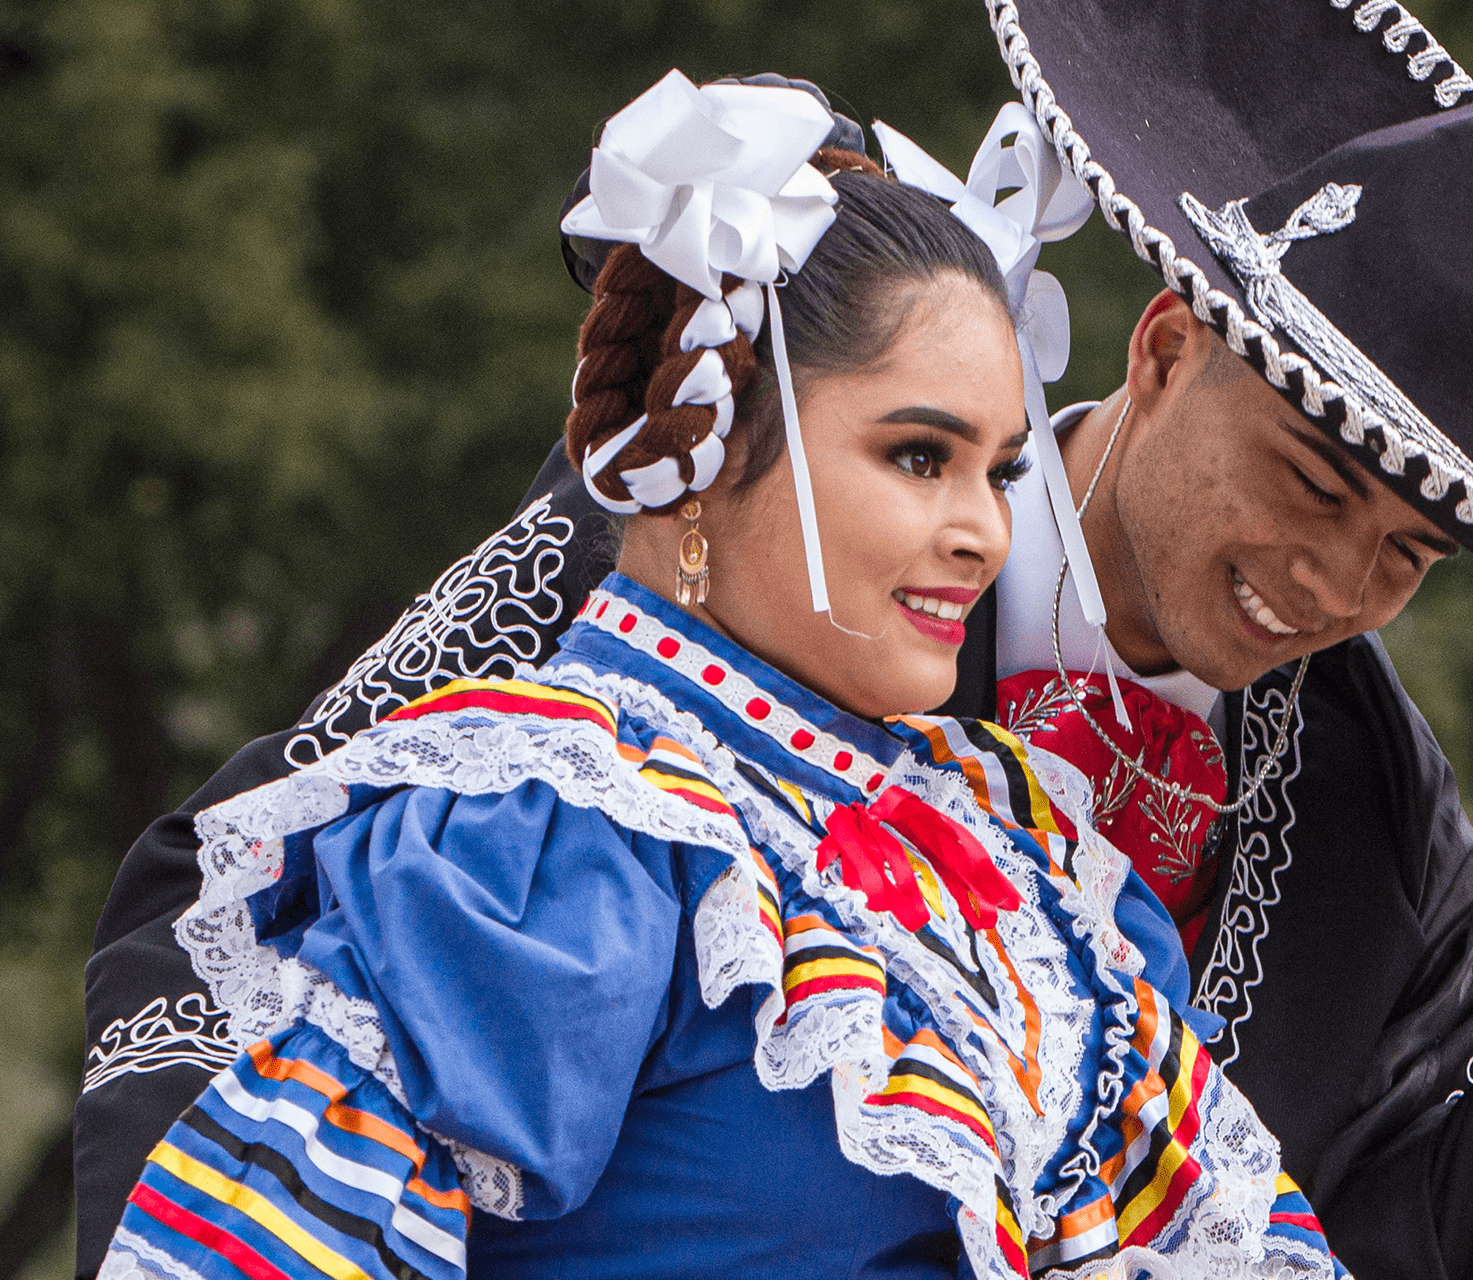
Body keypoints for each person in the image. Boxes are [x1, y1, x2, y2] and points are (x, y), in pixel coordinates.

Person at [74, 10, 1473, 1280]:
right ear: (1167, 350)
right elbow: (220, 913)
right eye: (1311, 480)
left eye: (1404, 552)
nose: (1335, 583)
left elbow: (1388, 1240)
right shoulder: (711, 541)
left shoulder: (1372, 823)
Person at [98, 71, 1344, 1280]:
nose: (983, 530)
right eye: (918, 455)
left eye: (1002, 470)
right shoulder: (559, 825)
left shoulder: (1019, 850)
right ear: (706, 441)